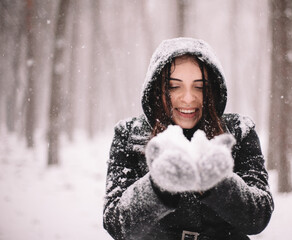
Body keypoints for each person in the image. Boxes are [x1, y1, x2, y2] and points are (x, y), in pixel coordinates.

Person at [103, 37, 274, 240]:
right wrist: (158, 185)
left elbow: (258, 217)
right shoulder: (129, 134)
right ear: (157, 90)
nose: (188, 97)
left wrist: (218, 181)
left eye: (199, 87)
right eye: (174, 86)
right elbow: (116, 223)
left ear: (212, 90)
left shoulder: (240, 131)